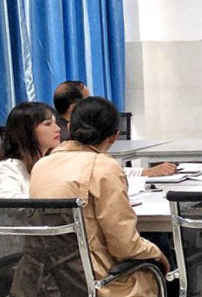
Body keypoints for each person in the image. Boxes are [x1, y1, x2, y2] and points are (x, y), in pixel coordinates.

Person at [24, 96, 170, 297]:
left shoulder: (42, 165)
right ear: (114, 136)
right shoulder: (105, 167)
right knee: (163, 265)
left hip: (48, 283)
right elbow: (124, 246)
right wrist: (156, 253)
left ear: (69, 127)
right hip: (100, 282)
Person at [53, 80, 176, 178]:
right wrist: (146, 172)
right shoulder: (63, 137)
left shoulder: (66, 129)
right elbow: (99, 172)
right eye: (88, 100)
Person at [0, 102, 62, 198]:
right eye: (48, 124)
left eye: (55, 122)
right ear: (27, 130)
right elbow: (9, 203)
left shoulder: (51, 165)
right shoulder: (8, 168)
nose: (57, 128)